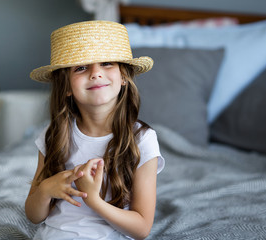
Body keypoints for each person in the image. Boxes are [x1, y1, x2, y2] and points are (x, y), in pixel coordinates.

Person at [25, 20, 165, 240]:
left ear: (124, 77)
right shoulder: (54, 136)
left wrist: (94, 200)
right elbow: (33, 216)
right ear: (66, 87)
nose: (95, 73)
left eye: (107, 63)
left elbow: (142, 229)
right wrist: (45, 190)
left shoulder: (142, 140)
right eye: (81, 68)